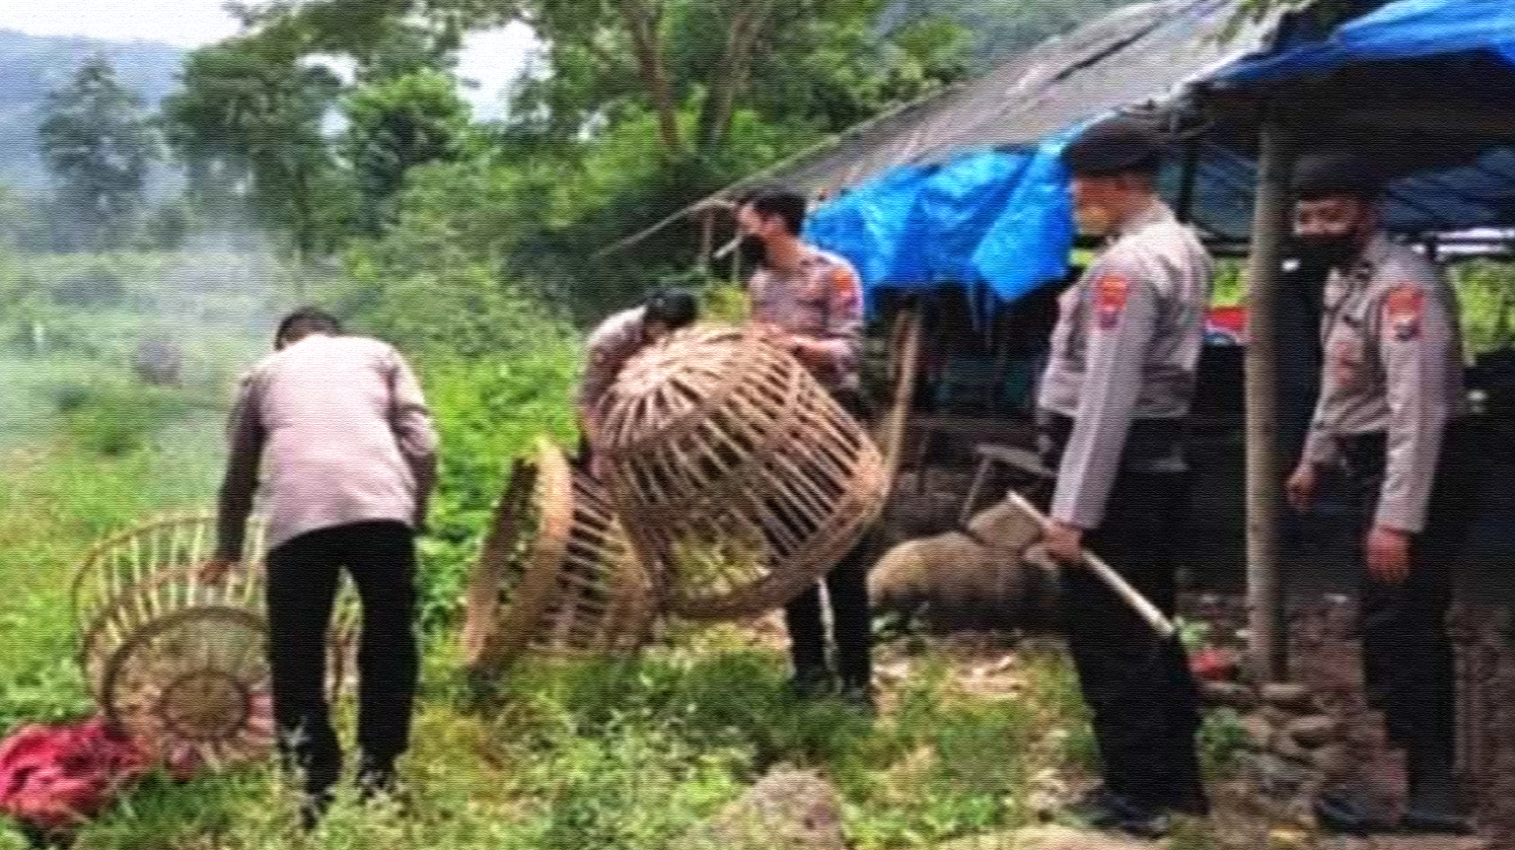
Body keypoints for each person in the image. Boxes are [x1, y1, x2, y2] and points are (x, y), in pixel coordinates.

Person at [1283, 151, 1474, 836]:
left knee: (1408, 624)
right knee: (1381, 621)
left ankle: (1430, 792)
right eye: (1303, 217)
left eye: (1329, 215)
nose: (1314, 228)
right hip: (1371, 463)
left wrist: (1395, 521)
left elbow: (1415, 413)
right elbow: (1342, 384)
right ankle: (1400, 759)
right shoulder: (1345, 280)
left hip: (1419, 470)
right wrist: (1315, 456)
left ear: (1369, 212)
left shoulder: (1403, 287)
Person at [1032, 115, 1212, 838]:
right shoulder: (1182, 246)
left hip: (1119, 473)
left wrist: (1072, 514)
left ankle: (1133, 795)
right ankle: (1175, 780)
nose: (1075, 193)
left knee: (1109, 635)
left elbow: (1106, 398)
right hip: (1152, 467)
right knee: (1150, 621)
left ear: (1119, 183)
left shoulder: (1126, 268)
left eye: (1081, 181)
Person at [201, 308, 438, 828]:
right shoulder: (379, 353)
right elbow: (422, 443)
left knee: (295, 652)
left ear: (286, 341)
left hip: (298, 520)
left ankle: (314, 786)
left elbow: (238, 474)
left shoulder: (265, 372)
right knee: (390, 641)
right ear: (335, 332)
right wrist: (412, 514)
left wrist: (228, 548)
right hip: (382, 512)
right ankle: (379, 770)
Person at [735, 187, 875, 710]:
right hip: (776, 431)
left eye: (746, 222)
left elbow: (854, 347)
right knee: (788, 551)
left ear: (773, 223)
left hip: (830, 426)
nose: (741, 232)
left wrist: (796, 347)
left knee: (841, 551)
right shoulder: (760, 281)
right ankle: (808, 669)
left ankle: (857, 684)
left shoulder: (834, 273)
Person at [575, 289, 700, 477]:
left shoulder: (679, 330)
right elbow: (587, 402)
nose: (671, 339)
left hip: (656, 392)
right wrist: (599, 449)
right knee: (599, 463)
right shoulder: (609, 339)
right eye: (667, 332)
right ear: (653, 322)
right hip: (613, 391)